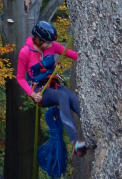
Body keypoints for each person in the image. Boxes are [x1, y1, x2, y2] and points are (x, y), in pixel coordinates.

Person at [16, 21, 87, 156]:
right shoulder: (25, 52)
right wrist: (31, 94)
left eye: (50, 43)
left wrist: (87, 57)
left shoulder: (52, 46)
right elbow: (20, 77)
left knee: (74, 99)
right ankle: (75, 142)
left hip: (53, 85)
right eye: (47, 43)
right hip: (39, 91)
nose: (50, 45)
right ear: (38, 39)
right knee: (62, 97)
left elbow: (72, 54)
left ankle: (93, 128)